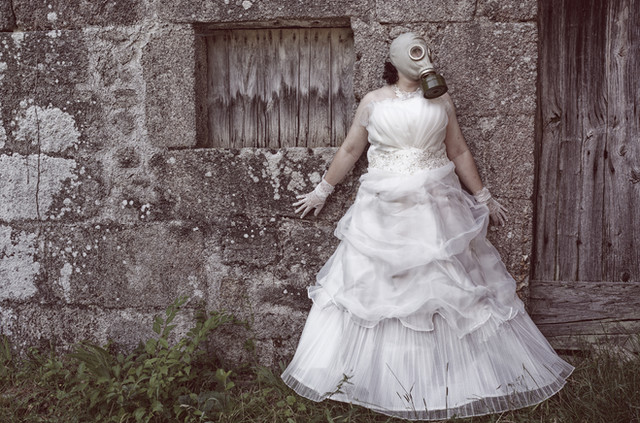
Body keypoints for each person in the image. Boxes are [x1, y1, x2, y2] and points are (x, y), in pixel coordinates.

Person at [281, 32, 574, 421]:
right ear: (394, 59)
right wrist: (322, 190)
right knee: (380, 289)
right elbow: (351, 149)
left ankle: (444, 383)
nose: (422, 57)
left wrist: (483, 196)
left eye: (424, 51)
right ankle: (379, 381)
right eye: (414, 51)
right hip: (383, 209)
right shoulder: (372, 101)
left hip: (436, 206)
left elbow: (458, 150)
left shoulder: (441, 99)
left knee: (444, 288)